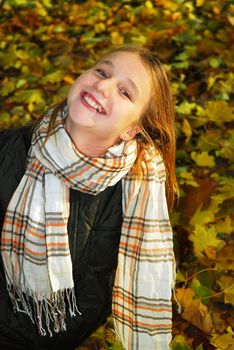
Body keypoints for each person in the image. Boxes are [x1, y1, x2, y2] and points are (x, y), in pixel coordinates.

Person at [0, 46, 177, 350]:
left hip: (65, 336)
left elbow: (106, 283)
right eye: (102, 71)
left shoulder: (139, 189)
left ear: (133, 129)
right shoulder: (8, 151)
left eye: (125, 93)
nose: (103, 85)